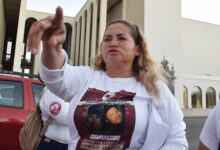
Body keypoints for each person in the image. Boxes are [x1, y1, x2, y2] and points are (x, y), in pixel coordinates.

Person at [27, 6, 188, 150]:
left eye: (121, 38)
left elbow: (177, 139)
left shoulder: (154, 88)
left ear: (137, 49)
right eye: (107, 39)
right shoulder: (86, 77)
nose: (113, 43)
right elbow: (55, 75)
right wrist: (52, 45)